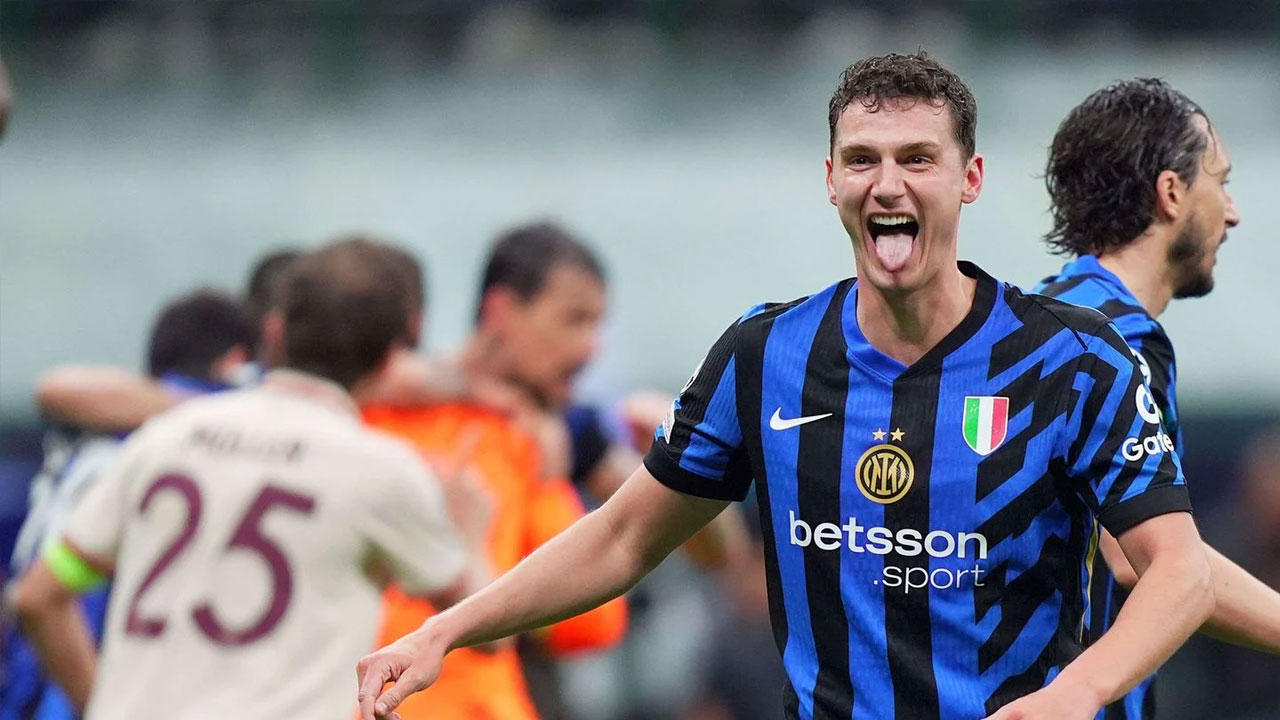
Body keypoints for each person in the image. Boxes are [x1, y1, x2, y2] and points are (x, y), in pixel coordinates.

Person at [357, 52, 1216, 720]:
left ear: (971, 179)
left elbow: (1178, 570)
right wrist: (444, 630)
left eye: (918, 158)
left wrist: (1078, 692)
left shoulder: (1074, 359)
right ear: (832, 180)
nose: (888, 183)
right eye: (862, 159)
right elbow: (622, 538)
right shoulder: (766, 353)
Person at [10, 240, 484, 720]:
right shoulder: (384, 470)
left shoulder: (166, 436)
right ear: (391, 359)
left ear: (274, 330)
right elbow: (488, 633)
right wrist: (470, 532)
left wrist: (101, 707)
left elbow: (36, 596)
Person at [1035, 78, 1280, 719]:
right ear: (1172, 193)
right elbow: (1140, 558)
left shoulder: (1046, 314)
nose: (1232, 212)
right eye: (1220, 182)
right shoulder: (1117, 341)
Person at [361, 224, 629, 720]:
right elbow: (592, 624)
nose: (592, 347)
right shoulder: (522, 438)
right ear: (502, 312)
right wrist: (548, 486)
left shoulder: (361, 409)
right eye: (574, 320)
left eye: (597, 325)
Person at [1, 289, 255, 720]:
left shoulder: (106, 425)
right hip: (93, 668)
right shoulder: (217, 438)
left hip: (36, 675)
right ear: (236, 361)